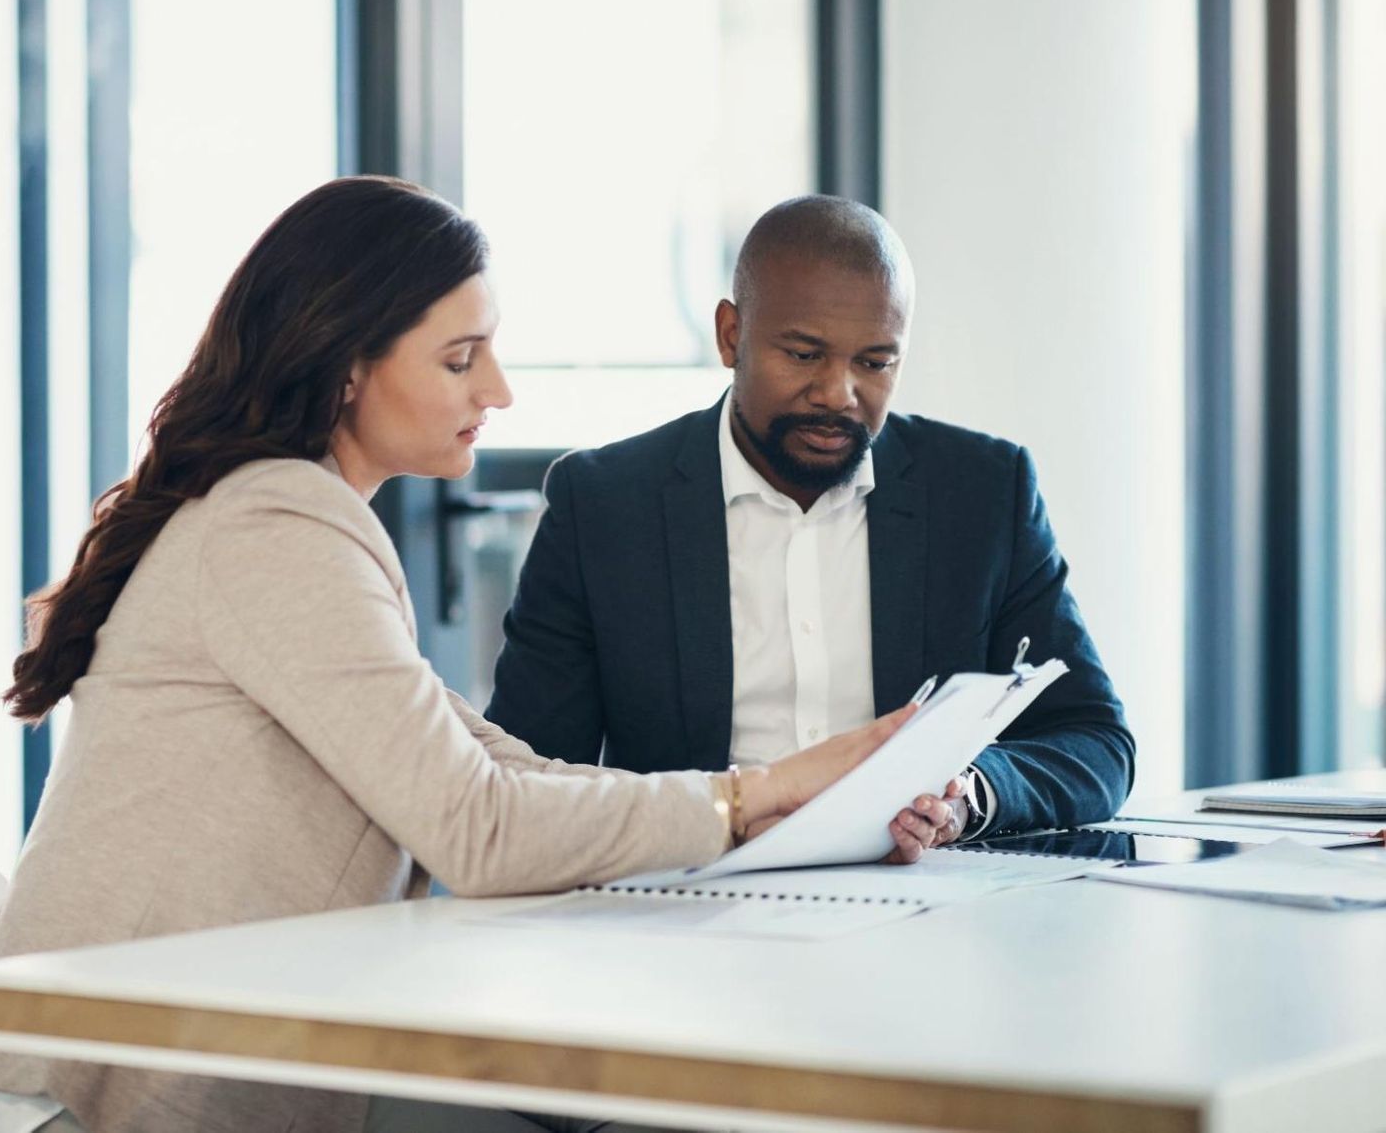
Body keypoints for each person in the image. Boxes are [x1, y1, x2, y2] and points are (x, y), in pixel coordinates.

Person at [0, 178, 946, 1133]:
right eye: (461, 358)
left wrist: (772, 804)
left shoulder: (296, 521)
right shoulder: (273, 528)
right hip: (106, 1100)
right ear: (348, 365)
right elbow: (478, 827)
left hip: (181, 1069)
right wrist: (745, 797)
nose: (497, 389)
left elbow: (491, 761)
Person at [486, 195, 1135, 845]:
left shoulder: (984, 494)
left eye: (875, 363)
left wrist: (970, 792)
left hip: (923, 915)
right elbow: (525, 782)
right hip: (684, 909)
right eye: (803, 355)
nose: (838, 393)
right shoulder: (605, 506)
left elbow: (1096, 744)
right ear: (730, 336)